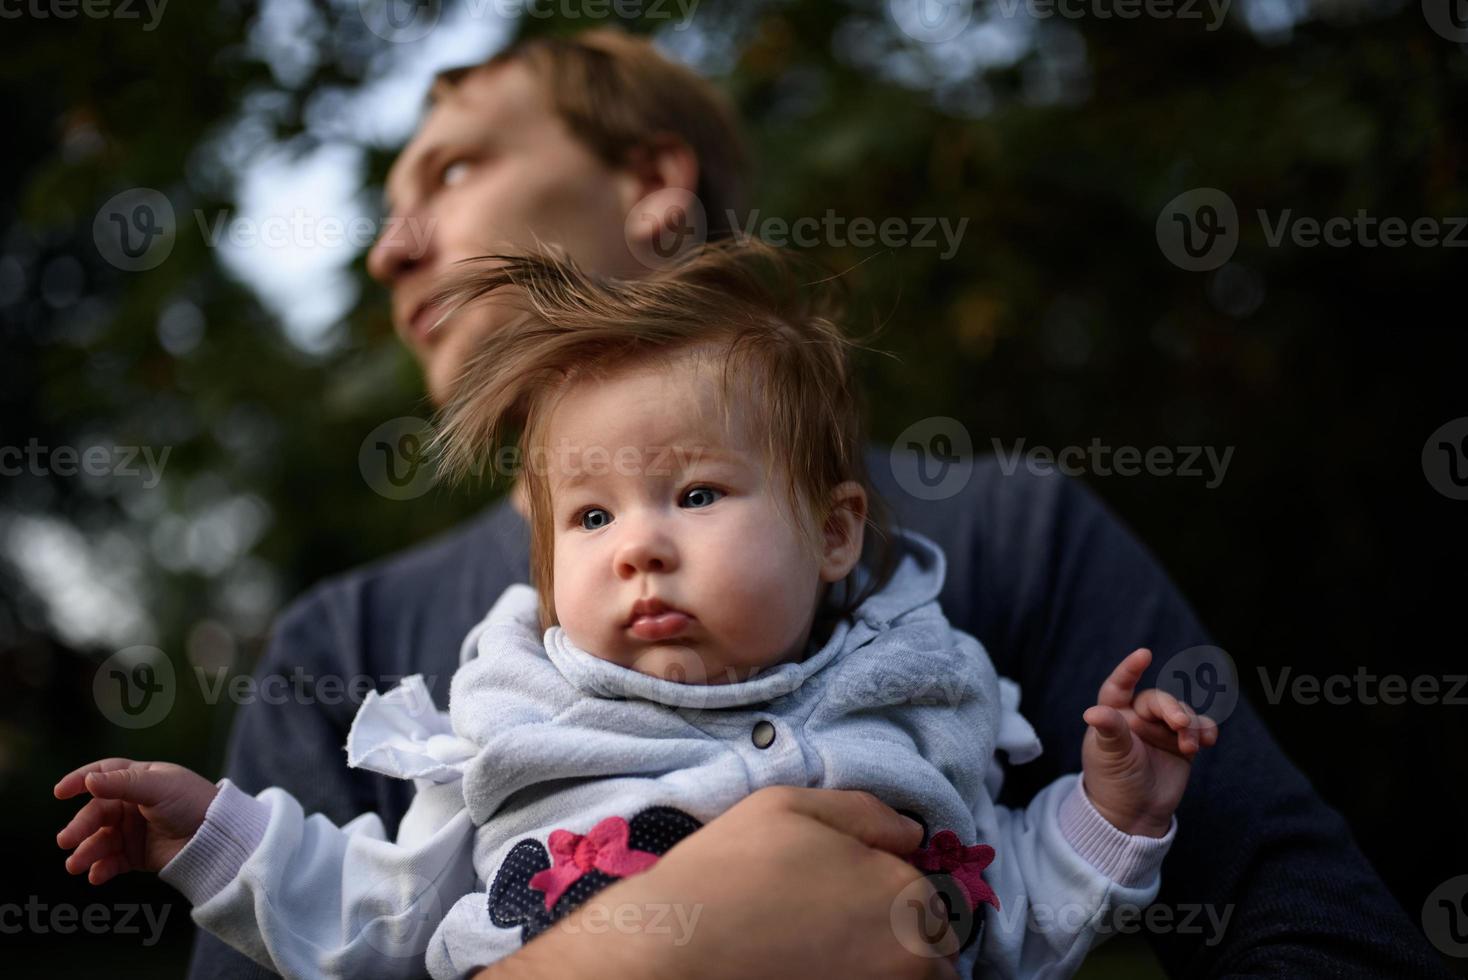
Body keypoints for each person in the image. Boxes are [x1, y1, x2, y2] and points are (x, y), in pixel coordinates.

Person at [149, 27, 1447, 980]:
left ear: (656, 180)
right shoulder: (347, 647)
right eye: (587, 523)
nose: (390, 248)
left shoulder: (1008, 542)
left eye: (447, 173)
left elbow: (1317, 933)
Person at [55, 242, 1220, 979]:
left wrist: (1114, 812)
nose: (641, 547)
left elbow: (1014, 907)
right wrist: (213, 836)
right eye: (592, 517)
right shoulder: (517, 720)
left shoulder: (921, 694)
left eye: (698, 492)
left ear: (834, 530)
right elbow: (378, 906)